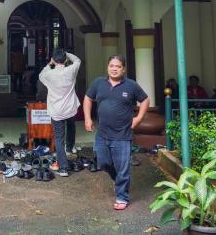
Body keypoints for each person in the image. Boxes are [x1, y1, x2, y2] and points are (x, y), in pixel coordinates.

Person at [84, 55, 149, 211]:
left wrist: (138, 118)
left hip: (122, 135)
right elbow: (87, 98)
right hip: (102, 134)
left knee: (123, 168)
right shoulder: (98, 83)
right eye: (111, 65)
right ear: (107, 67)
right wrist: (87, 118)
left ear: (123, 69)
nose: (114, 68)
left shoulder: (131, 86)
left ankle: (122, 197)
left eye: (118, 66)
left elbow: (145, 100)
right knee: (103, 163)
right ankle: (117, 180)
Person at [39, 48, 81, 176]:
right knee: (71, 126)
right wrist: (67, 54)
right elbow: (77, 60)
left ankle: (63, 168)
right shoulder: (71, 70)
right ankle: (69, 148)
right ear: (65, 59)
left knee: (58, 138)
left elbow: (41, 75)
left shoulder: (48, 74)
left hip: (57, 111)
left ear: (53, 60)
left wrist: (51, 63)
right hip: (70, 108)